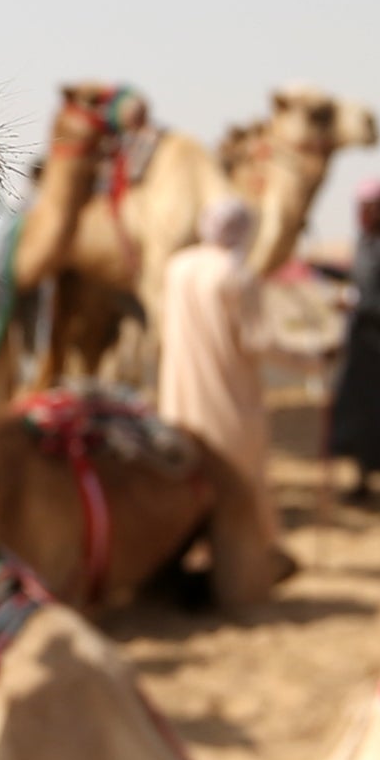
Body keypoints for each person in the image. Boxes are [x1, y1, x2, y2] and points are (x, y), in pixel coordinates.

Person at [156, 194, 283, 606]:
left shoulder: (176, 267)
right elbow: (258, 341)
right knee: (242, 484)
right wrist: (315, 357)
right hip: (228, 403)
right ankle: (247, 574)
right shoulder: (236, 274)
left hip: (179, 399)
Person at [313, 177, 380, 500]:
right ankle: (362, 480)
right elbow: (360, 277)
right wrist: (327, 272)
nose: (362, 213)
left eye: (369, 207)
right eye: (359, 207)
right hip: (362, 348)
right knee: (359, 414)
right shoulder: (364, 244)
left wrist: (357, 304)